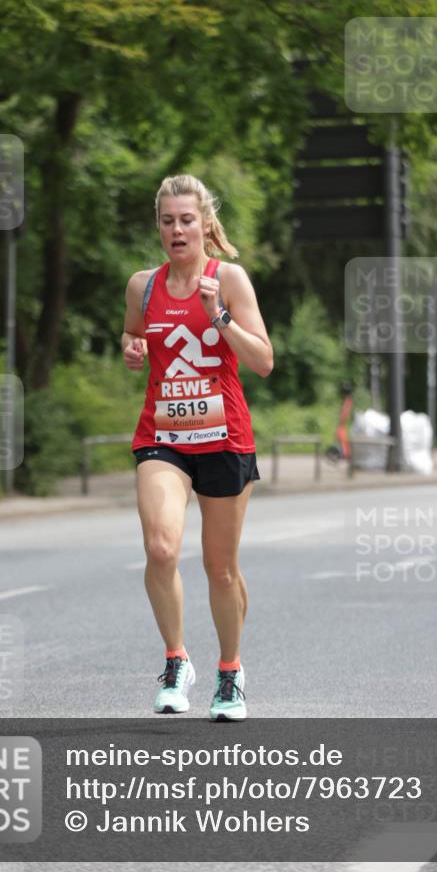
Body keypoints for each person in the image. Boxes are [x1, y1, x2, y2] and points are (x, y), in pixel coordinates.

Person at [121, 173, 273, 721]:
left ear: (205, 224)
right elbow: (132, 333)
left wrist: (219, 316)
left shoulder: (228, 279)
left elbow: (263, 360)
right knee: (161, 549)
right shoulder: (143, 286)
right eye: (168, 221)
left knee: (220, 568)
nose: (177, 230)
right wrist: (131, 348)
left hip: (224, 437)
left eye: (187, 220)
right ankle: (176, 660)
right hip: (163, 436)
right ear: (158, 227)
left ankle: (229, 672)